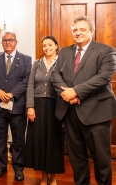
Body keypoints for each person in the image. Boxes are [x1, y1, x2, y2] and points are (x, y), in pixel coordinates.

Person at [51, 16, 116, 185]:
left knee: (101, 160)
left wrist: (76, 92)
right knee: (77, 159)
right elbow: (55, 74)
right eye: (75, 30)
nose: (78, 33)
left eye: (82, 29)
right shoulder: (64, 52)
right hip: (70, 113)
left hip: (97, 112)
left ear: (91, 32)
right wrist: (66, 94)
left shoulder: (107, 51)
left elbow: (103, 77)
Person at [0, 32, 32, 181]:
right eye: (5, 40)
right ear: (2, 43)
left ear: (16, 42)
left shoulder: (25, 59)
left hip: (17, 106)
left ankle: (18, 168)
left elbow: (27, 80)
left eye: (10, 40)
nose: (7, 43)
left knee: (18, 140)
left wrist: (12, 93)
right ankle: (1, 167)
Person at [25, 35, 64, 185]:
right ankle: (43, 176)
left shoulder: (62, 62)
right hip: (38, 105)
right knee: (39, 141)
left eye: (50, 45)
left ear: (56, 46)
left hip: (56, 106)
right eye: (44, 46)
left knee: (53, 142)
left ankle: (53, 177)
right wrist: (30, 106)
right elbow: (29, 85)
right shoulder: (37, 64)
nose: (47, 48)